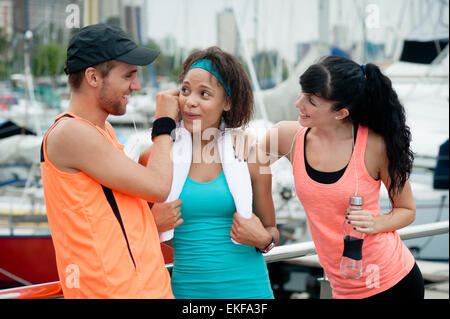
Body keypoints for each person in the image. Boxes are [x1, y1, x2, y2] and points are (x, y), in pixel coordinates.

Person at [261, 56, 424, 299]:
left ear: (340, 113)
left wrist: (375, 222)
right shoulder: (287, 136)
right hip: (343, 289)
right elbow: (242, 167)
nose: (298, 104)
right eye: (302, 93)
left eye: (311, 101)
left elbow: (407, 209)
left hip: (394, 283)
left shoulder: (375, 146)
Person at [40, 24, 179, 299]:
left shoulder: (104, 131)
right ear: (93, 77)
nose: (136, 86)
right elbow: (158, 186)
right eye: (128, 76)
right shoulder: (70, 133)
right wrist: (164, 123)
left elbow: (112, 209)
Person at [140, 46, 278, 299]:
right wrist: (150, 224)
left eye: (204, 94)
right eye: (185, 90)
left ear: (227, 102)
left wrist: (263, 239)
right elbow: (135, 232)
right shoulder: (155, 156)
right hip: (185, 293)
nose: (190, 101)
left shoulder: (250, 155)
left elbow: (270, 230)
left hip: (249, 292)